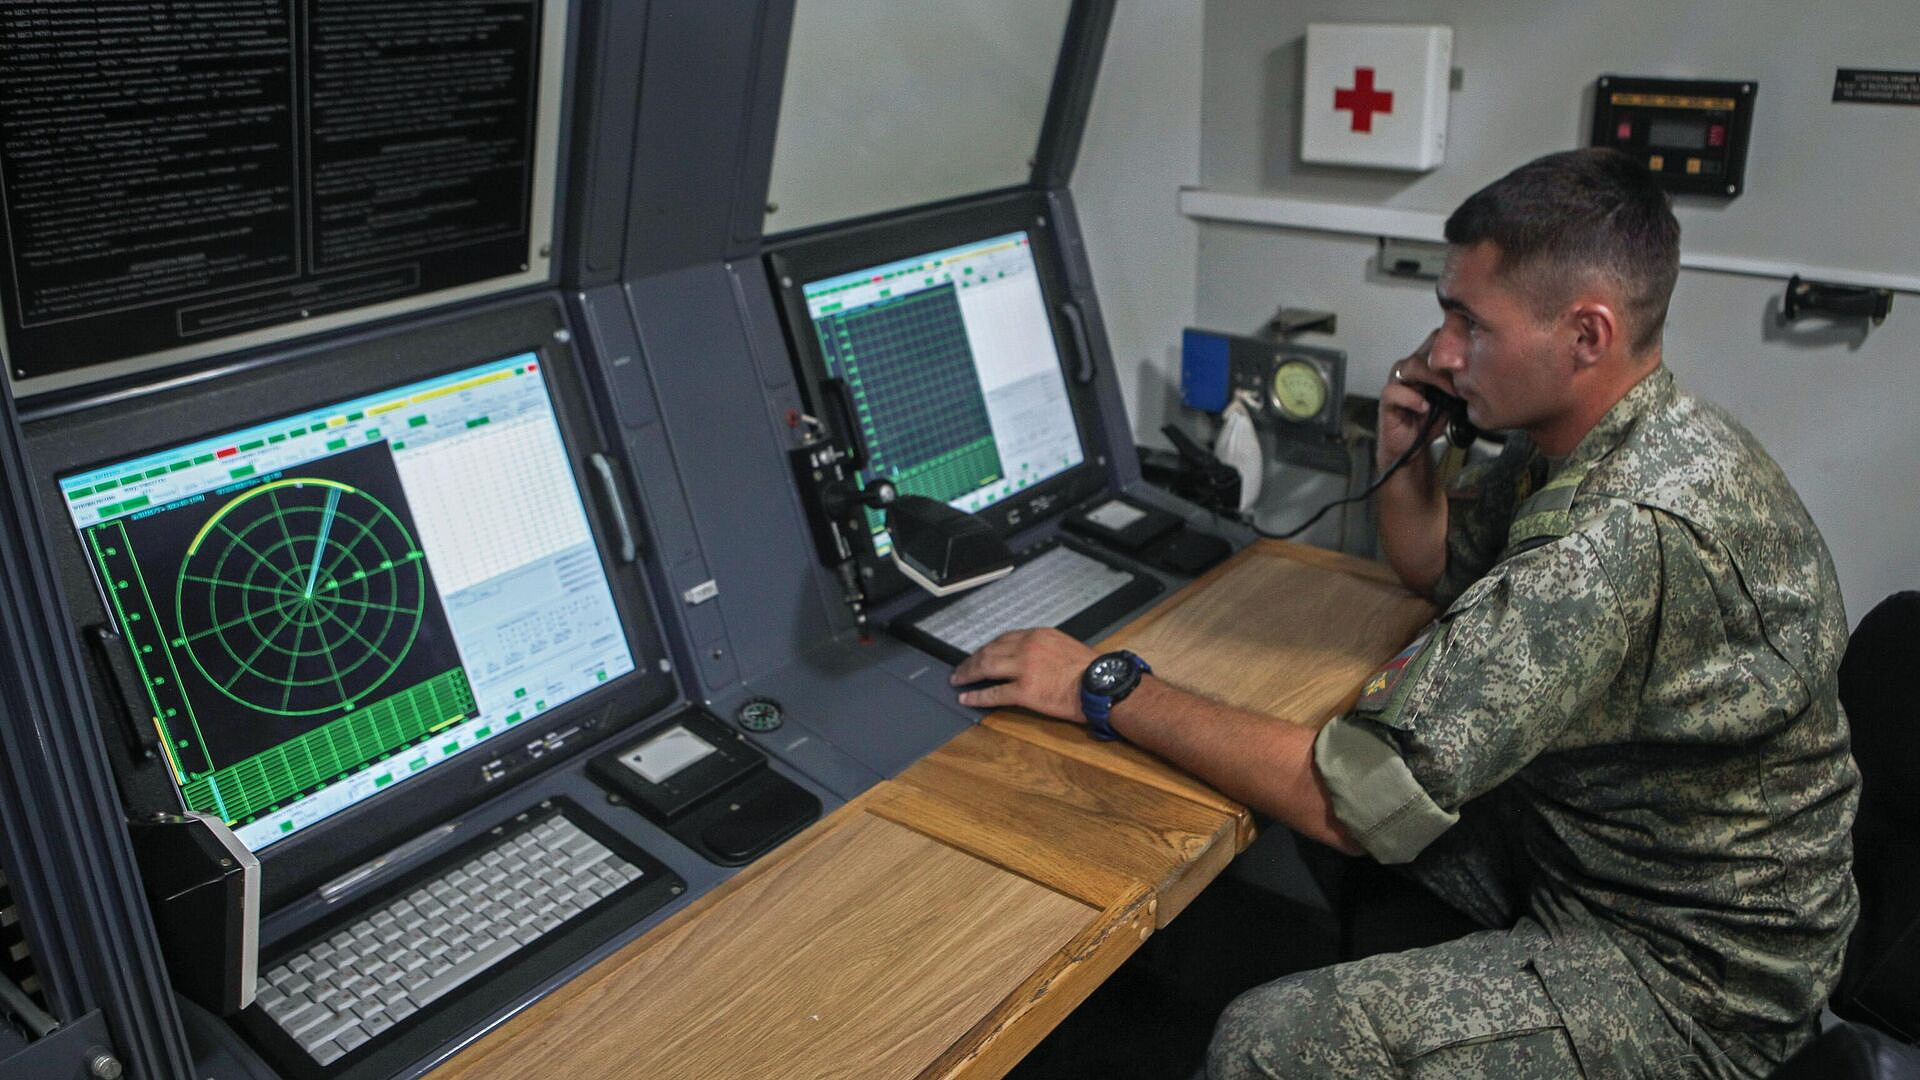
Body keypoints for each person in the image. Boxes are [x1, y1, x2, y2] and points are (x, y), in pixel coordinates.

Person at [949, 148, 1858, 1079]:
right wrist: (1407, 447)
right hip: (1606, 854)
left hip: (1693, 980)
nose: (1443, 354)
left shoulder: (1614, 538)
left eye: (1471, 323)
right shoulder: (1615, 434)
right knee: (1319, 769)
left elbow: (1351, 803)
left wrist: (1103, 684)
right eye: (1443, 317)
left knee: (1270, 1040)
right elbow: (1439, 565)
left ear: (1587, 335)